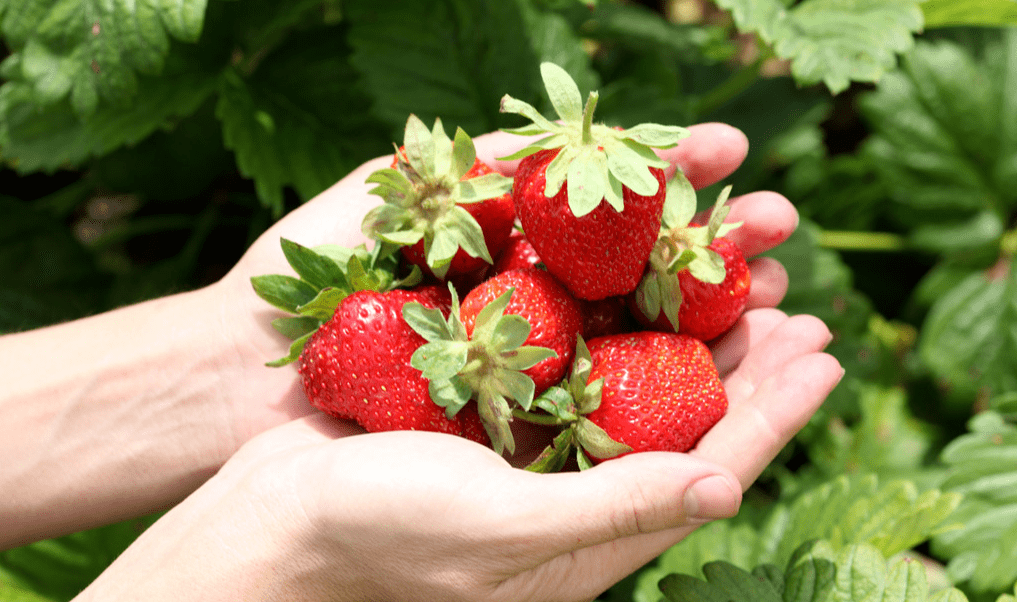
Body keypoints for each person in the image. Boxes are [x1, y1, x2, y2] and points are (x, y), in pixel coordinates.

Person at [0, 123, 843, 601]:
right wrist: (300, 549)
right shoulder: (482, 314)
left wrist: (218, 362)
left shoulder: (495, 296)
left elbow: (548, 297)